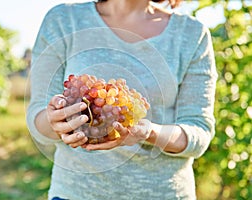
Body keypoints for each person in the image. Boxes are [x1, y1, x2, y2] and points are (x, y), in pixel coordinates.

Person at [27, 0, 218, 199]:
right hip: (76, 193)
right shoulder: (63, 20)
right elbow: (38, 119)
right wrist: (56, 121)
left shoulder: (192, 34)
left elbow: (199, 132)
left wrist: (149, 133)